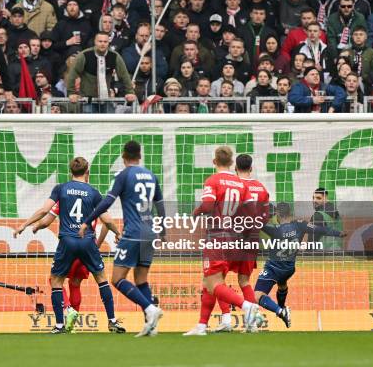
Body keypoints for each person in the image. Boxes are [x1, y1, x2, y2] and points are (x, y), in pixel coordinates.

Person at [14, 157, 124, 334]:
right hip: (88, 241)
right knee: (101, 279)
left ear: (70, 172)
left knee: (56, 280)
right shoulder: (94, 193)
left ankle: (59, 325)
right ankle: (112, 321)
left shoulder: (61, 189)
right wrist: (117, 233)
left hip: (67, 241)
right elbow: (107, 220)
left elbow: (45, 212)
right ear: (87, 172)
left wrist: (25, 225)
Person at [80, 141, 164, 337]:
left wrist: (87, 220)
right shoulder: (151, 176)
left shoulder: (123, 175)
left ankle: (150, 308)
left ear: (124, 156)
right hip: (150, 232)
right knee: (141, 279)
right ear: (139, 156)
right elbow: (160, 205)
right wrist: (164, 231)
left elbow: (107, 201)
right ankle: (151, 325)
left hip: (133, 233)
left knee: (117, 279)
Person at [183, 147, 259, 336]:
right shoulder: (242, 184)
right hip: (235, 238)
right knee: (208, 282)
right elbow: (251, 213)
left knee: (213, 283)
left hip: (217, 237)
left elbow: (208, 205)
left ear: (214, 162)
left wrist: (196, 212)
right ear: (232, 163)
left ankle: (246, 305)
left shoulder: (212, 180)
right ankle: (202, 326)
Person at [255, 203, 345, 327]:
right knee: (282, 284)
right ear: (290, 214)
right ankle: (282, 306)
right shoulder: (300, 225)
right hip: (289, 269)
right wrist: (338, 233)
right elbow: (320, 229)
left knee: (257, 296)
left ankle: (280, 311)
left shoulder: (273, 228)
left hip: (273, 268)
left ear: (277, 215)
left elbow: (255, 223)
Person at [213, 154, 270, 333]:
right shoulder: (261, 189)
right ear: (251, 168)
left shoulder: (233, 185)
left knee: (218, 279)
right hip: (251, 239)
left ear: (235, 168)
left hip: (231, 237)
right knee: (244, 281)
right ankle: (252, 324)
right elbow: (264, 217)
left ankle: (226, 320)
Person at [66, 32, 135, 113]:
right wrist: (71, 93)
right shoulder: (84, 55)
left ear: (108, 42)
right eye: (100, 41)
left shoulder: (115, 56)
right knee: (90, 124)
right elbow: (72, 74)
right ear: (95, 42)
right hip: (88, 100)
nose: (102, 44)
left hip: (107, 99)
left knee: (109, 124)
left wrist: (130, 92)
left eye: (105, 42)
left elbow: (124, 75)